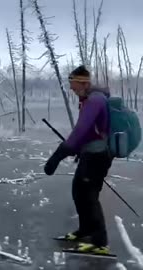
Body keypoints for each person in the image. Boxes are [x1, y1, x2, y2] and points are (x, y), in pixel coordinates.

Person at [44, 65, 113, 255]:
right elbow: (89, 132)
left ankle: (100, 242)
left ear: (83, 83)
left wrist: (58, 155)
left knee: (89, 197)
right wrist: (80, 149)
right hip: (90, 154)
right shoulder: (88, 100)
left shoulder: (95, 100)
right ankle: (86, 230)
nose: (71, 88)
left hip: (98, 157)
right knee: (79, 192)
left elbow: (80, 130)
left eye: (73, 84)